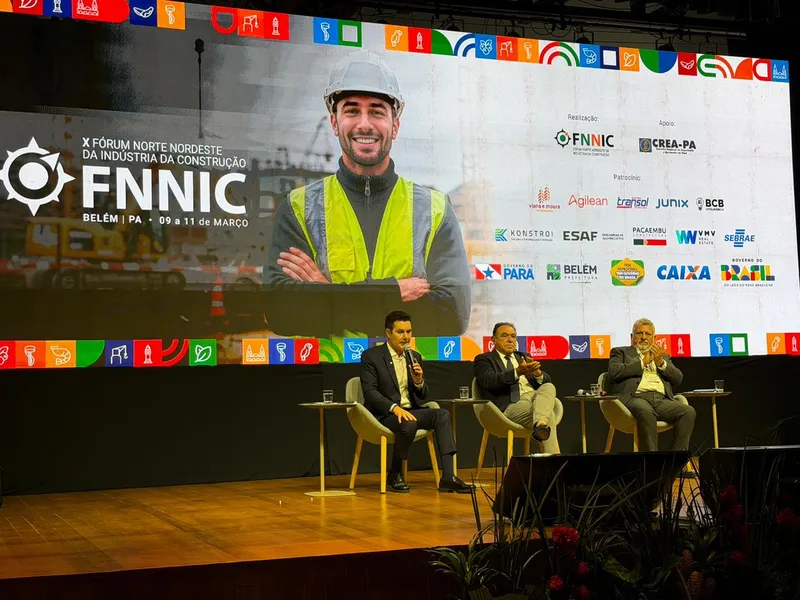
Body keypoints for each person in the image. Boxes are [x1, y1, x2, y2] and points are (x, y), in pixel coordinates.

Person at [264, 50, 471, 338]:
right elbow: (282, 313)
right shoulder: (299, 208)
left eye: (376, 110)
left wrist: (328, 295)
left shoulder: (434, 210)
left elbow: (451, 317)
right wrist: (392, 292)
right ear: (335, 122)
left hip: (408, 381)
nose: (364, 124)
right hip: (330, 379)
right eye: (351, 110)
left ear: (394, 125)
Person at [359, 310, 472, 493]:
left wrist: (418, 381)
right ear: (388, 333)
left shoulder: (415, 357)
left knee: (442, 415)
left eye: (409, 332)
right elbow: (370, 392)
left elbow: (422, 397)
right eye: (400, 332)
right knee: (408, 424)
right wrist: (394, 408)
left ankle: (448, 476)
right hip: (384, 413)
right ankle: (394, 473)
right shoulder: (371, 356)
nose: (406, 337)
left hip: (410, 410)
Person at [605, 318, 696, 452]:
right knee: (646, 411)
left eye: (647, 334)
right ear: (632, 337)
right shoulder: (620, 352)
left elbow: (678, 378)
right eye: (639, 333)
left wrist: (661, 364)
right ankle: (651, 465)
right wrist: (642, 363)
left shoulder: (663, 356)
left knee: (688, 412)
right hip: (634, 398)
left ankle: (674, 463)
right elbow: (613, 373)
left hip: (661, 400)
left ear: (654, 338)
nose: (643, 337)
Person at [472, 322, 560, 454]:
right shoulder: (484, 360)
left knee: (548, 386)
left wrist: (538, 374)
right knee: (550, 415)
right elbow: (489, 382)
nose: (510, 340)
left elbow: (544, 382)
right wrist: (517, 372)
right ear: (494, 340)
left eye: (513, 336)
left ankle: (540, 424)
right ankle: (555, 463)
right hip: (509, 407)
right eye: (505, 336)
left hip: (534, 401)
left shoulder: (523, 356)